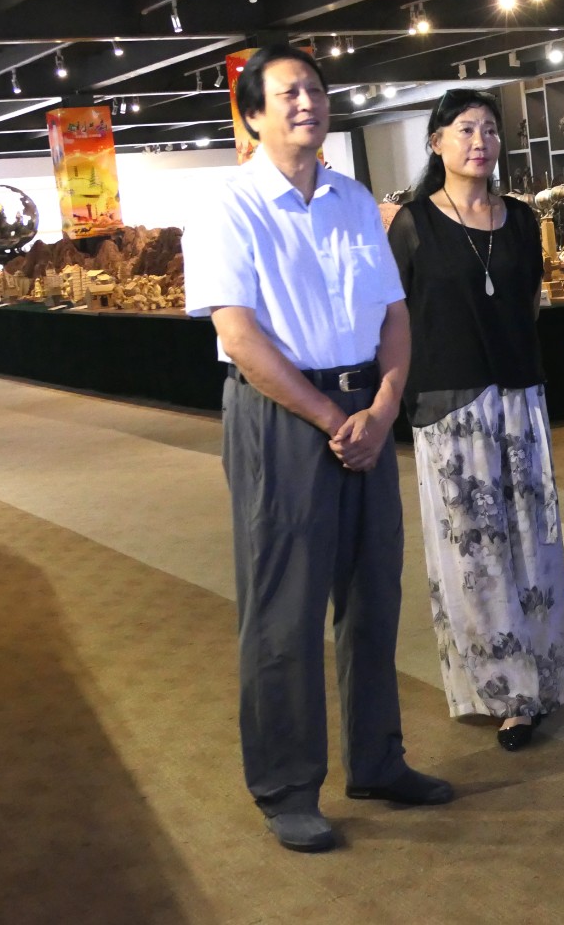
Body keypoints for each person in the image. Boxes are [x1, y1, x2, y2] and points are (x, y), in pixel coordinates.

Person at [182, 44, 452, 854]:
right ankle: (287, 787)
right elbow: (239, 335)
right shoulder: (230, 204)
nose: (307, 102)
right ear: (252, 114)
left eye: (316, 89)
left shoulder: (353, 199)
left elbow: (394, 315)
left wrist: (383, 405)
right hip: (281, 415)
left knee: (372, 596)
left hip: (363, 406)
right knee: (284, 609)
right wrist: (331, 417)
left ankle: (377, 760)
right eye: (288, 93)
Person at [387, 88, 564, 753]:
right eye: (465, 129)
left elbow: (528, 305)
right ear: (436, 141)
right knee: (475, 552)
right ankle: (504, 693)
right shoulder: (412, 223)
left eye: (490, 130)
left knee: (533, 539)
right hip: (451, 404)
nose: (480, 141)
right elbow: (396, 317)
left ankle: (545, 677)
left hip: (520, 397)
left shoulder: (521, 220)